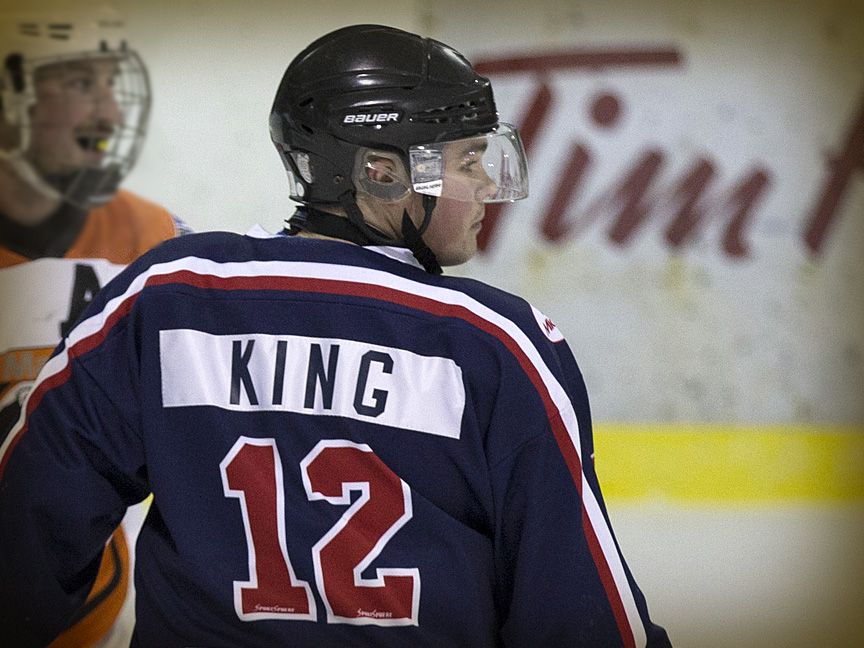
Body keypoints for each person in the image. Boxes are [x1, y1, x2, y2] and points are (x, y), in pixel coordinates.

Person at [0, 24, 670, 647]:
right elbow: (579, 612)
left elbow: (27, 527)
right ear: (381, 172)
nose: (488, 183)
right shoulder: (493, 341)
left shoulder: (169, 295)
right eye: (468, 161)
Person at [0, 7, 187, 648]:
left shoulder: (154, 237)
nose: (108, 113)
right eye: (81, 83)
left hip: (85, 612)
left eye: (112, 83)